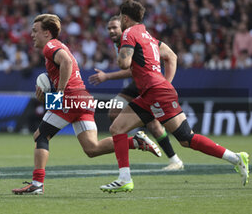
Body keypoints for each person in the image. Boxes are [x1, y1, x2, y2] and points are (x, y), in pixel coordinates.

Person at [100, 0, 249, 193]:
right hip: (151, 93)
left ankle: (236, 158)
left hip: (155, 92)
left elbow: (124, 63)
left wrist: (122, 52)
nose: (120, 22)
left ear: (125, 18)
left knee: (186, 139)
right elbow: (171, 56)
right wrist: (165, 83)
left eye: (120, 18)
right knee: (117, 127)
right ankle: (124, 178)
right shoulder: (148, 36)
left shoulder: (129, 33)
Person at [11, 14, 161, 195]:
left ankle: (37, 184)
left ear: (47, 33)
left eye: (35, 31)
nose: (32, 35)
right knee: (92, 148)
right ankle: (135, 142)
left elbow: (66, 62)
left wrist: (57, 94)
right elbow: (66, 68)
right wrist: (48, 98)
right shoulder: (58, 46)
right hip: (83, 99)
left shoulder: (50, 46)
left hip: (70, 97)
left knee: (40, 135)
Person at [89, 15, 184, 170]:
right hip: (137, 85)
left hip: (149, 84)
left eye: (115, 27)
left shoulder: (130, 40)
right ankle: (139, 135)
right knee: (114, 111)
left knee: (156, 126)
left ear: (123, 29)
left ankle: (175, 160)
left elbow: (133, 71)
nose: (111, 31)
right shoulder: (117, 43)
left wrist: (107, 76)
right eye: (109, 28)